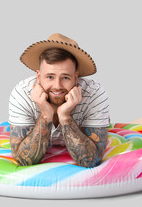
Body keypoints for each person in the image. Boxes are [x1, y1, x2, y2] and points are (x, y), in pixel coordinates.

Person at [9, 33, 110, 168]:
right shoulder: (22, 93)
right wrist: (45, 115)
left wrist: (65, 116)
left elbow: (91, 160)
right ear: (38, 77)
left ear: (76, 77)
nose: (57, 86)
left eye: (65, 78)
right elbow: (23, 160)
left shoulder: (94, 93)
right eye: (50, 77)